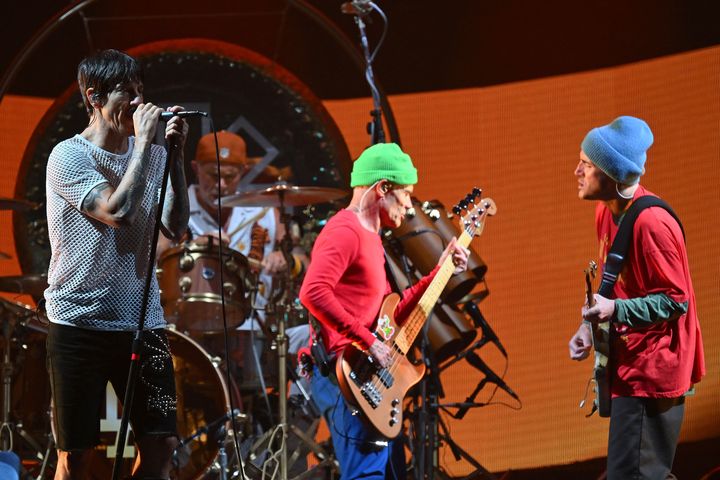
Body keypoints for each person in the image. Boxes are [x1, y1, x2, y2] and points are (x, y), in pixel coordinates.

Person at [44, 49, 190, 479]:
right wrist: (146, 146)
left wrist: (175, 158)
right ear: (95, 97)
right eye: (129, 93)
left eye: (142, 91)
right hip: (78, 326)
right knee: (78, 453)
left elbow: (175, 228)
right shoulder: (68, 157)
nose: (140, 103)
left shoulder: (155, 155)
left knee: (163, 442)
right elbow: (117, 212)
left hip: (146, 326)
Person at [299, 142, 469, 479]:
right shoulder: (345, 230)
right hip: (346, 375)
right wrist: (367, 341)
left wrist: (441, 271)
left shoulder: (371, 237)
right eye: (405, 195)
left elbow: (391, 311)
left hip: (368, 377)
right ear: (383, 188)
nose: (408, 207)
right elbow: (313, 292)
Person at [568, 116, 705, 479]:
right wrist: (588, 325)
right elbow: (614, 281)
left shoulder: (653, 224)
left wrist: (614, 310)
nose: (576, 170)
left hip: (653, 371)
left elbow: (676, 301)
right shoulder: (607, 211)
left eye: (586, 164)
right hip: (631, 361)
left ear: (612, 174)